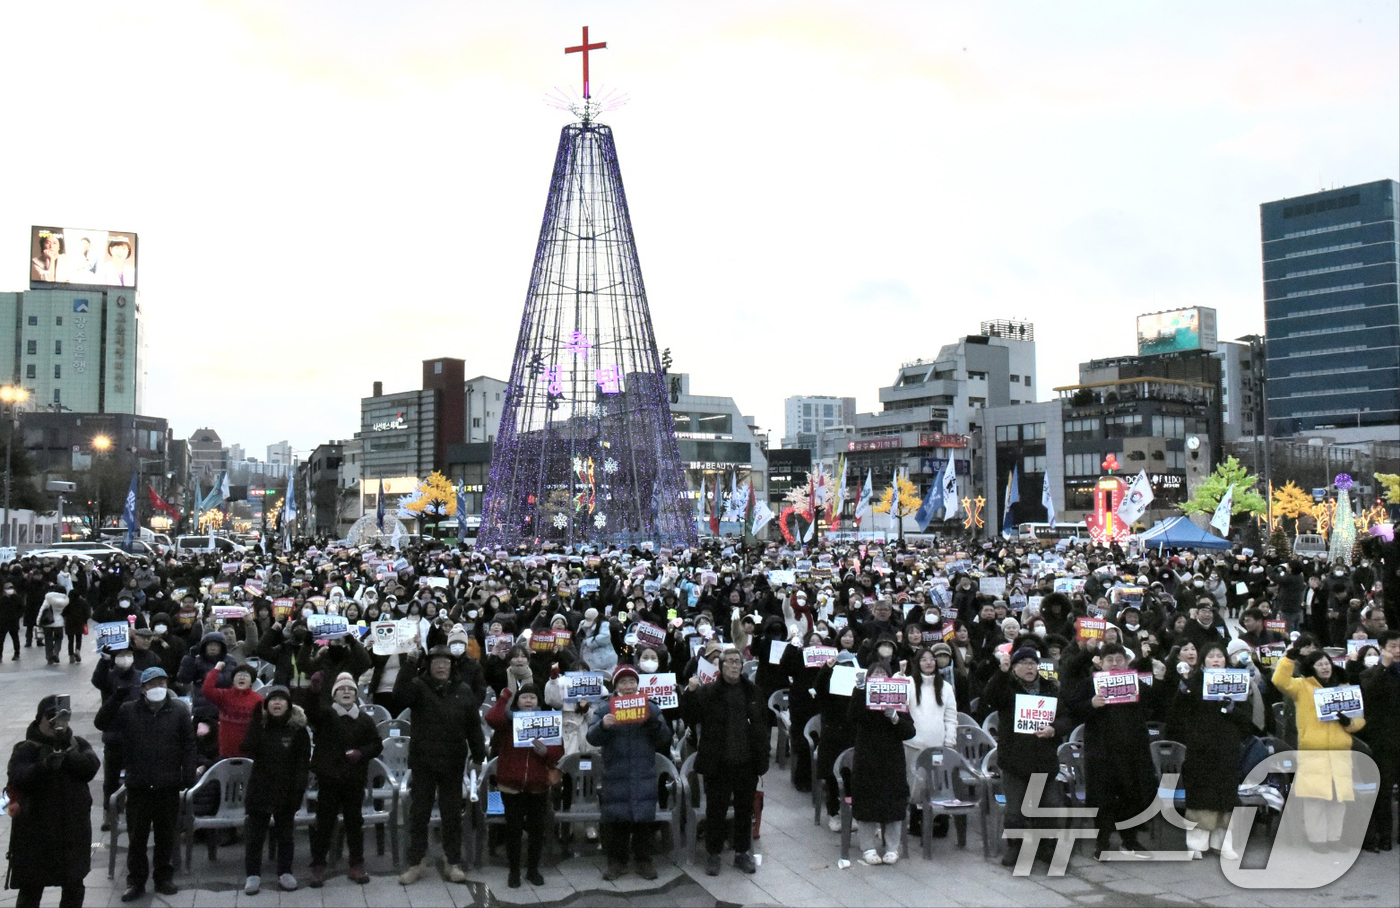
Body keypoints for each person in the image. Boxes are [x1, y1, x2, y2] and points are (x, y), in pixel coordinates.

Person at [94, 667, 196, 902]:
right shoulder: (129, 710)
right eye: (152, 684)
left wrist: (188, 775)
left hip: (167, 784)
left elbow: (189, 744)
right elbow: (101, 722)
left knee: (165, 836)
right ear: (143, 689)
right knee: (137, 838)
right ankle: (136, 881)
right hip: (139, 784)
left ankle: (163, 877)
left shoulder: (179, 710)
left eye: (162, 683)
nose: (157, 688)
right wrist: (116, 697)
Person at [395, 645, 488, 885]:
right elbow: (399, 696)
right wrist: (408, 663)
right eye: (436, 662)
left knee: (452, 815)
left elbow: (473, 727)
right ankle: (416, 862)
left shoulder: (463, 690)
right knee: (419, 814)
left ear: (452, 665)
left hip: (452, 761)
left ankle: (452, 861)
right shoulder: (418, 686)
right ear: (429, 665)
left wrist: (479, 755)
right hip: (423, 761)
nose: (441, 666)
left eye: (445, 662)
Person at [1063, 642, 1157, 861]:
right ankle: (1102, 842)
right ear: (1101, 663)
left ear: (1126, 662)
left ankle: (1130, 840)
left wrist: (1156, 677)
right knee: (1102, 798)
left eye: (1119, 660)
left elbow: (1153, 702)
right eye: (1110, 660)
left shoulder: (1134, 683)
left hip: (1132, 751)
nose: (1115, 664)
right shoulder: (1090, 684)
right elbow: (1072, 708)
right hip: (1101, 753)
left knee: (1131, 795)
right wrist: (1091, 705)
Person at [5, 695, 101, 908]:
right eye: (50, 717)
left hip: (72, 834)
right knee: (31, 890)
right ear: (39, 719)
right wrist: (44, 766)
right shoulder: (27, 748)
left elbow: (91, 766)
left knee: (74, 888)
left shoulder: (77, 744)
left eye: (62, 717)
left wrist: (67, 754)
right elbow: (18, 776)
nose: (56, 723)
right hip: (36, 834)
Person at [681, 646, 768, 877]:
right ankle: (714, 854)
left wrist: (762, 757)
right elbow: (690, 717)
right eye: (728, 661)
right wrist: (689, 693)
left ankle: (741, 853)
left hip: (746, 762)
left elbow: (761, 726)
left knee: (743, 810)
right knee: (716, 811)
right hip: (718, 763)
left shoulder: (752, 692)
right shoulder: (708, 692)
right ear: (721, 666)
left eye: (737, 662)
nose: (733, 665)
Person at [1271, 646, 1367, 850]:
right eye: (1320, 664)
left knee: (1338, 798)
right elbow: (1280, 681)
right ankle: (1317, 839)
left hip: (1340, 752)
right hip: (1313, 751)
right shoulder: (1302, 686)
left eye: (1327, 663)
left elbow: (1359, 722)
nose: (1325, 667)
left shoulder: (1343, 687)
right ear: (1311, 667)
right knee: (1315, 799)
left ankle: (1334, 838)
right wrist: (1288, 658)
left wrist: (1347, 722)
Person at [589, 663, 674, 881]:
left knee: (643, 820)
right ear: (616, 686)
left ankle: (643, 860)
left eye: (632, 682)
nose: (628, 686)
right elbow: (591, 737)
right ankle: (617, 862)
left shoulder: (651, 707)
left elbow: (665, 738)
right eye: (623, 682)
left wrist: (652, 723)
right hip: (615, 774)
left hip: (643, 773)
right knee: (616, 821)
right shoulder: (605, 708)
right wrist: (603, 727)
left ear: (638, 684)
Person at [982, 645, 1065, 867]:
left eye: (1033, 663)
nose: (1029, 667)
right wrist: (1001, 672)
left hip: (1043, 760)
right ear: (1015, 667)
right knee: (1015, 810)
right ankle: (1015, 847)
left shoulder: (1051, 688)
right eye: (1024, 664)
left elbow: (1066, 717)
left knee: (1048, 806)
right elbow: (990, 697)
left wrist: (1054, 729)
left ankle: (1046, 847)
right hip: (1014, 760)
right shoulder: (1006, 687)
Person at [1177, 640, 1252, 860]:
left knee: (1226, 793)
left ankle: (1223, 843)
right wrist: (1183, 691)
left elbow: (1247, 720)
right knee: (1201, 793)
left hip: (1228, 746)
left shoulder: (1237, 682)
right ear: (1203, 660)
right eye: (1211, 656)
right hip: (1201, 747)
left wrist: (1231, 709)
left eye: (1220, 656)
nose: (1216, 660)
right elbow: (1179, 714)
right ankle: (1195, 843)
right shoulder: (1194, 681)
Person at [306, 672, 382, 886]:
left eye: (350, 689)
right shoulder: (326, 715)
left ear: (356, 694)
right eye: (342, 689)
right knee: (325, 823)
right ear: (334, 695)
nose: (346, 692)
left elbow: (377, 744)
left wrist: (361, 753)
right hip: (329, 779)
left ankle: (356, 864)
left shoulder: (365, 720)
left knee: (354, 822)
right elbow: (311, 712)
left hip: (354, 779)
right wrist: (313, 691)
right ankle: (318, 865)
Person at [485, 683, 563, 888]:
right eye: (524, 697)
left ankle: (532, 869)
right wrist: (504, 697)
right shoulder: (507, 723)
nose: (528, 700)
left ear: (538, 702)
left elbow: (558, 753)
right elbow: (491, 718)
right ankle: (514, 870)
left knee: (537, 830)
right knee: (514, 829)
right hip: (511, 785)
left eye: (533, 697)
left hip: (538, 785)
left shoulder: (548, 722)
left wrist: (545, 752)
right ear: (518, 702)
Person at [240, 686, 310, 894]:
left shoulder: (298, 730)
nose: (277, 703)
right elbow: (246, 747)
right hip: (260, 788)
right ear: (267, 704)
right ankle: (252, 874)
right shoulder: (260, 726)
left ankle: (285, 872)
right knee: (255, 835)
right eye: (272, 700)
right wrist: (254, 723)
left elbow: (303, 762)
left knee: (285, 835)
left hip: (286, 790)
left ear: (288, 704)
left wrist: (298, 790)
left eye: (281, 700)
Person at [849, 659, 915, 866]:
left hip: (892, 759)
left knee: (894, 803)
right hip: (867, 759)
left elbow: (909, 731)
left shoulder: (897, 698)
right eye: (874, 674)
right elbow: (852, 716)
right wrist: (860, 690)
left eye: (882, 674)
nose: (878, 677)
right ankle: (867, 846)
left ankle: (892, 847)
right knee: (867, 803)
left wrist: (895, 717)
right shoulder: (860, 694)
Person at [1358, 629, 1399, 852]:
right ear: (1382, 649)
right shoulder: (1371, 673)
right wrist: (1384, 666)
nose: (1397, 651)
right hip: (1383, 741)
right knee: (1383, 792)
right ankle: (1384, 835)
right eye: (1393, 646)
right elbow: (1369, 692)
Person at [201, 661, 264, 758]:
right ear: (233, 680)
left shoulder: (258, 700)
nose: (242, 678)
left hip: (248, 753)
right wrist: (216, 669)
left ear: (251, 682)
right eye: (239, 675)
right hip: (225, 752)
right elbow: (207, 690)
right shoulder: (224, 695)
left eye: (246, 676)